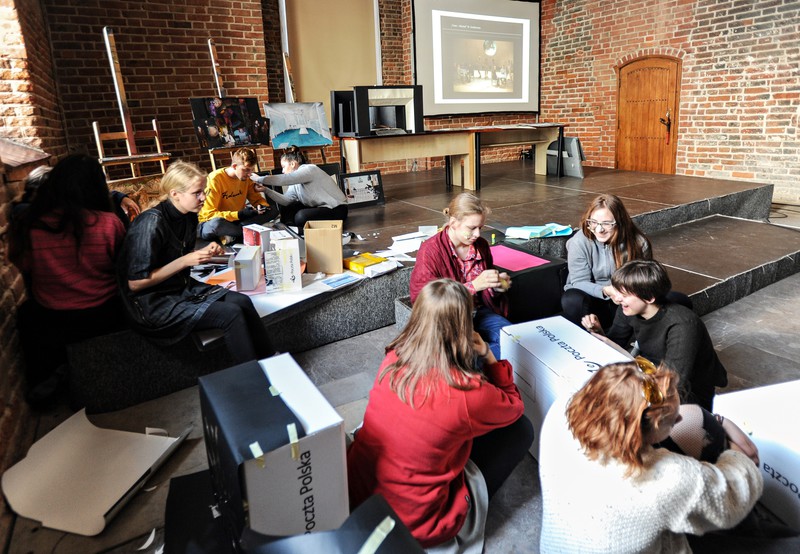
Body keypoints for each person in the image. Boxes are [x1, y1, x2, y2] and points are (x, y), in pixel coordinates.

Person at [347, 279, 533, 553]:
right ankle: (475, 502)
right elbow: (515, 405)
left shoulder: (393, 358)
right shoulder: (468, 391)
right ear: (463, 326)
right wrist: (489, 357)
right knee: (521, 429)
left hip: (358, 497)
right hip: (418, 524)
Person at [538, 361, 763, 553]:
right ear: (650, 426)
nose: (679, 421)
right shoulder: (664, 479)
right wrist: (734, 454)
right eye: (673, 420)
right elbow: (731, 502)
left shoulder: (559, 413)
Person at [119, 160, 274, 364]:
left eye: (204, 191)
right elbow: (135, 283)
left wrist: (203, 252)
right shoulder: (150, 222)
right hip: (153, 302)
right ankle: (256, 377)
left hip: (180, 287)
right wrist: (186, 260)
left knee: (243, 301)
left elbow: (176, 254)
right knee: (231, 314)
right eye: (197, 193)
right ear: (175, 194)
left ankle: (272, 361)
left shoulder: (188, 216)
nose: (203, 198)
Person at [9, 154, 128, 407]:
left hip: (53, 318)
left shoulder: (30, 225)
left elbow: (23, 265)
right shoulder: (109, 223)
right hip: (105, 316)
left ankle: (44, 383)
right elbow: (121, 269)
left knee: (27, 314)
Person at [582, 259, 727, 411]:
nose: (617, 299)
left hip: (689, 391)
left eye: (624, 294)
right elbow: (616, 341)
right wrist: (599, 332)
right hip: (651, 374)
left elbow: (675, 383)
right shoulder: (628, 309)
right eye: (618, 292)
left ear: (649, 298)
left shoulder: (682, 324)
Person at [409, 193, 511, 359]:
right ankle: (482, 363)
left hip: (478, 311)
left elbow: (486, 293)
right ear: (453, 223)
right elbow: (425, 299)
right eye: (472, 228)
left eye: (481, 227)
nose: (477, 234)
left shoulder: (481, 246)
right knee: (463, 354)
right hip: (448, 319)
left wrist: (496, 286)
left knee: (512, 340)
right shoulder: (430, 251)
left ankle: (480, 362)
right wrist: (473, 286)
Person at [562, 193, 652, 328]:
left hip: (625, 299)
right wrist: (606, 290)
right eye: (593, 223)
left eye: (607, 223)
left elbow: (645, 281)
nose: (599, 229)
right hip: (592, 298)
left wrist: (624, 294)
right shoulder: (579, 242)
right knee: (572, 299)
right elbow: (579, 281)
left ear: (620, 222)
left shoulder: (639, 243)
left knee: (675, 300)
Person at [250, 147, 348, 234]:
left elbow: (285, 179)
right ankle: (291, 229)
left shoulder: (309, 169)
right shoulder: (296, 182)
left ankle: (296, 229)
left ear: (293, 164)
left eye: (284, 167)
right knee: (288, 206)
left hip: (337, 210)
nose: (283, 171)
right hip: (320, 208)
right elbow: (286, 200)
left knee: (301, 216)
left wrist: (260, 179)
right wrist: (266, 190)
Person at [197, 147, 276, 244]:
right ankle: (245, 231)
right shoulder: (215, 179)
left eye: (251, 170)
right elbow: (209, 215)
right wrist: (239, 214)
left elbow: (256, 199)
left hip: (237, 220)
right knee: (216, 224)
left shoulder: (246, 178)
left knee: (273, 210)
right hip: (212, 222)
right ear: (234, 166)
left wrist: (261, 206)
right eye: (246, 170)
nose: (249, 174)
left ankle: (234, 234)